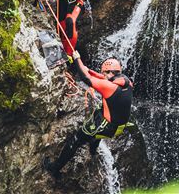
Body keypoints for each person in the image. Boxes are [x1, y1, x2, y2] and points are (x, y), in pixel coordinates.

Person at [43, 50, 133, 179]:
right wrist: (88, 69)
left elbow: (86, 79)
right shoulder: (126, 82)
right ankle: (93, 148)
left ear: (109, 73)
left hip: (107, 127)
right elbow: (102, 78)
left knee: (75, 140)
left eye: (104, 72)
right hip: (119, 126)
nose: (102, 75)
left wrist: (77, 59)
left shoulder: (109, 88)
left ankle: (55, 168)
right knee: (99, 110)